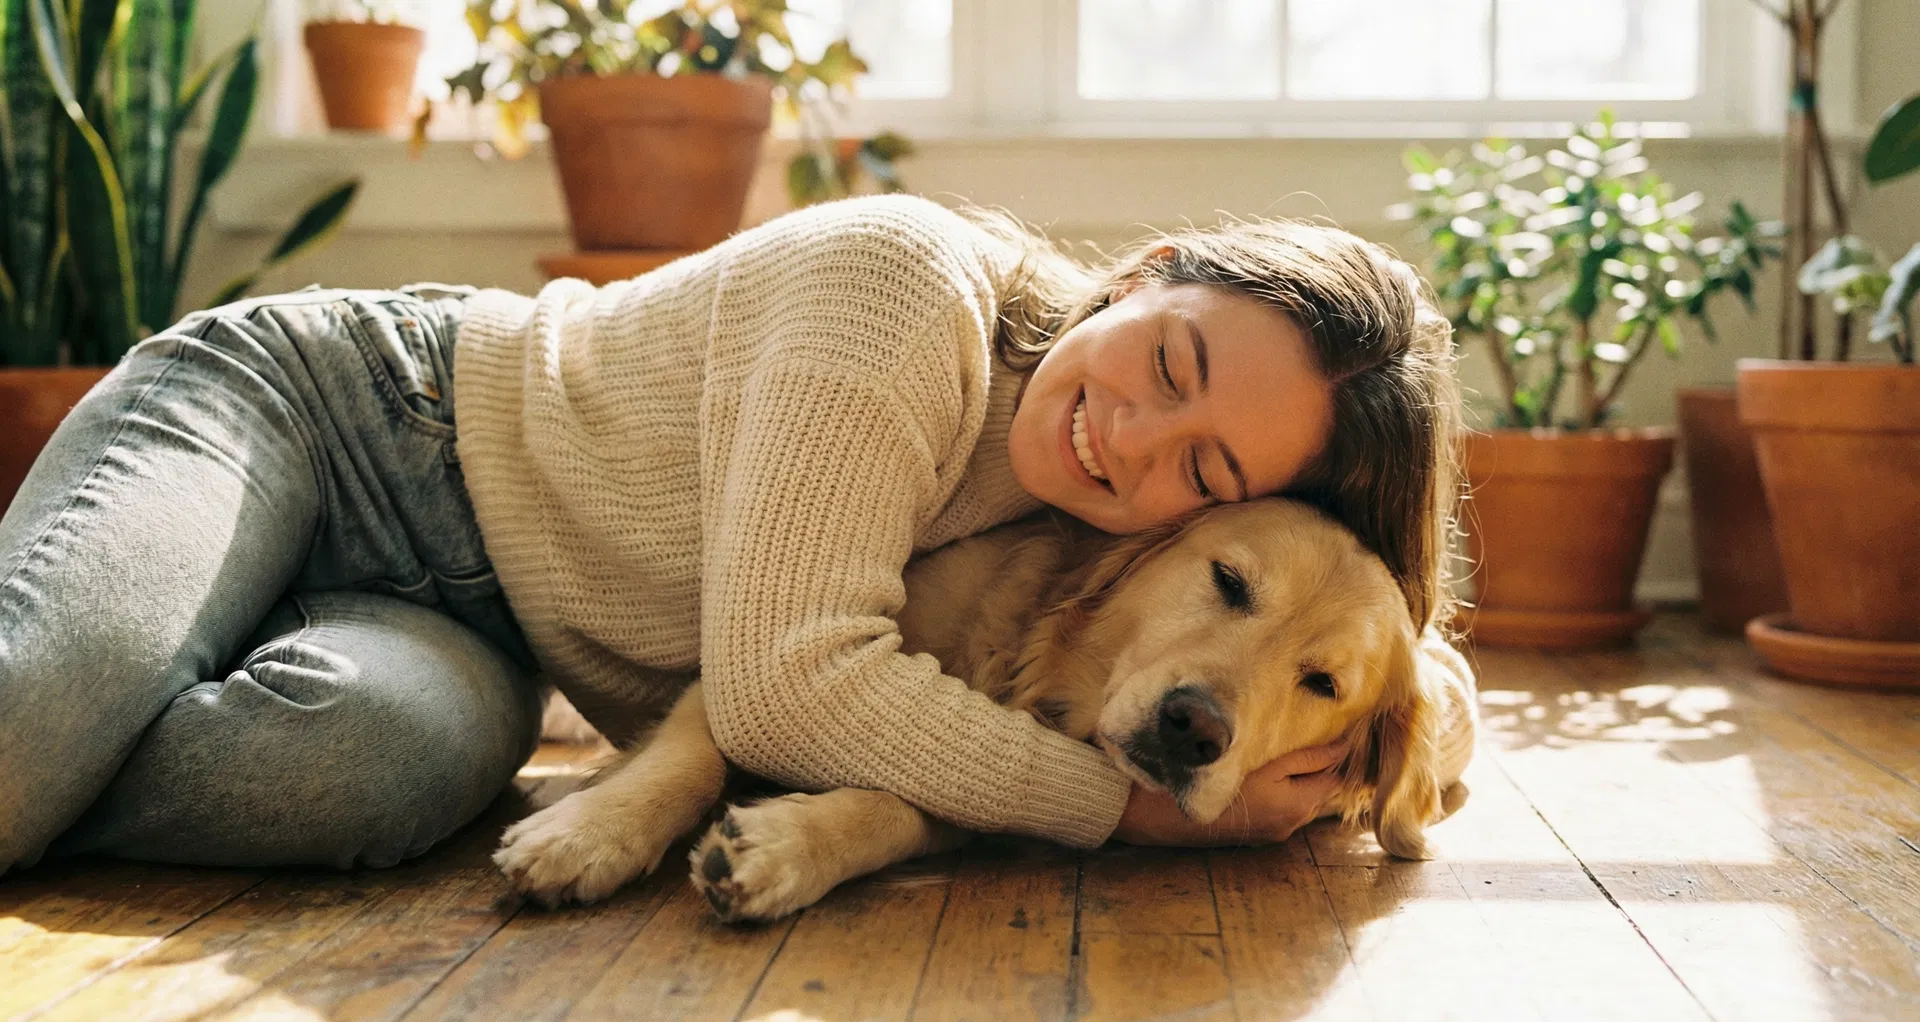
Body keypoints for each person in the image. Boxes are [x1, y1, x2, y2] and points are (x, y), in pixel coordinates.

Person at [0, 194, 1473, 873]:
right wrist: (1132, 812)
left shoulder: (1111, 538)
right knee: (17, 728)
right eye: (1167, 365)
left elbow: (1359, 633)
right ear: (1149, 271)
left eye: (1202, 465)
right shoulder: (903, 292)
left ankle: (105, 684)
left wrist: (1404, 726)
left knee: (345, 776)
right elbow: (783, 684)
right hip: (329, 415)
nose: (1131, 439)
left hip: (477, 621)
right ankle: (70, 687)